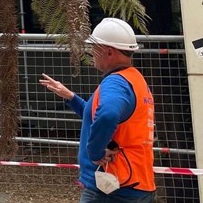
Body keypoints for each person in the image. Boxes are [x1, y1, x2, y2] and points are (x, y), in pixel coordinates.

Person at [39, 17, 155, 202]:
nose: (91, 52)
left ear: (109, 52)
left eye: (94, 48)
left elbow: (107, 115)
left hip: (113, 185)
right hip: (133, 181)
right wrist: (71, 97)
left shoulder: (115, 83)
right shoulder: (134, 80)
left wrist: (95, 152)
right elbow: (99, 116)